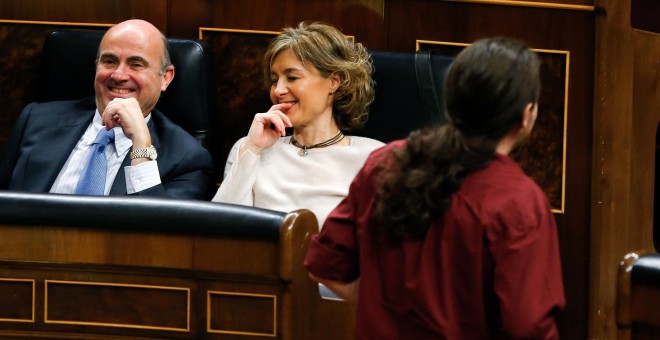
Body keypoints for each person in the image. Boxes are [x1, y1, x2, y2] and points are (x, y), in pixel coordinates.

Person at [304, 37, 566, 339]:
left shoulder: (386, 162)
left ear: (451, 100)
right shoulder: (519, 201)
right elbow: (528, 327)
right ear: (527, 115)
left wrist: (387, 308)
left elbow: (324, 264)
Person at [0, 19, 213, 199]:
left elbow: (163, 239)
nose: (119, 75)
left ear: (165, 77)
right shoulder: (36, 120)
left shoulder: (188, 159)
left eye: (136, 64)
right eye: (109, 61)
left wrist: (141, 146)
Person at [212, 21, 384, 226]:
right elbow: (221, 229)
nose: (278, 90)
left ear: (333, 82)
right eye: (275, 80)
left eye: (292, 77)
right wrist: (252, 149)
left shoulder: (374, 159)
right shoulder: (249, 149)